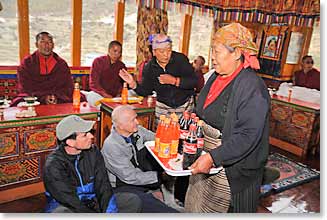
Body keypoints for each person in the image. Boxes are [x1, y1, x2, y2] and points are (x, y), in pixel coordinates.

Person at [185, 23, 270, 213]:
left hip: (235, 169)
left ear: (237, 53)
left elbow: (248, 135)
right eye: (212, 51)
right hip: (207, 157)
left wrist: (214, 157)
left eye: (216, 51)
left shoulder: (252, 87)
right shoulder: (215, 77)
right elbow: (203, 111)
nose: (212, 57)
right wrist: (190, 118)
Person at [43, 115, 142, 213]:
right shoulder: (53, 164)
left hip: (93, 200)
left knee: (132, 201)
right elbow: (70, 200)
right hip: (69, 205)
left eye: (90, 132)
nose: (91, 136)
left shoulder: (93, 151)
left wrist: (109, 212)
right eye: (85, 134)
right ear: (70, 142)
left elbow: (103, 185)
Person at [101, 105, 179, 213]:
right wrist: (159, 176)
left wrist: (174, 138)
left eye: (136, 118)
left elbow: (157, 139)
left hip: (141, 177)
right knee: (165, 212)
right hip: (123, 187)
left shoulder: (137, 131)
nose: (137, 122)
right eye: (133, 120)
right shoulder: (112, 145)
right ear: (121, 125)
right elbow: (130, 177)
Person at [119, 34, 198, 125]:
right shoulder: (150, 67)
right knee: (162, 135)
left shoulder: (180, 59)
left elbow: (194, 82)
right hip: (163, 108)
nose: (166, 55)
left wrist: (175, 81)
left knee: (183, 135)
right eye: (162, 51)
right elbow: (145, 91)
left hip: (185, 105)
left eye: (169, 51)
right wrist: (133, 83)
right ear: (154, 52)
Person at [11, 32, 74, 106]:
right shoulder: (27, 63)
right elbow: (25, 88)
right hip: (34, 98)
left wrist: (55, 97)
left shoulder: (61, 64)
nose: (46, 45)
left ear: (53, 45)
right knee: (20, 101)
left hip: (58, 98)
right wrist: (43, 98)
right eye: (42, 42)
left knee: (77, 97)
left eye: (49, 42)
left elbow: (68, 87)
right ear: (36, 44)